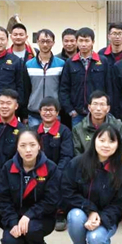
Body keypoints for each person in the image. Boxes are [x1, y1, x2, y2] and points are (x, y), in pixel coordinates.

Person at [61, 124, 122, 244]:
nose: (106, 145)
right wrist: (90, 210)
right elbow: (67, 191)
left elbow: (121, 203)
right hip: (82, 212)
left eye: (111, 141)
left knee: (96, 238)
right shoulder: (77, 163)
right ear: (94, 141)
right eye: (102, 140)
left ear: (118, 144)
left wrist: (101, 218)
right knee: (75, 216)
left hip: (107, 217)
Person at [0, 130, 60, 244]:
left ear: (39, 146)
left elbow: (51, 200)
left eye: (32, 145)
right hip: (16, 216)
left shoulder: (51, 168)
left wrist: (29, 215)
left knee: (32, 230)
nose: (28, 150)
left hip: (41, 217)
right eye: (23, 145)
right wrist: (13, 222)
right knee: (9, 241)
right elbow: (3, 199)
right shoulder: (8, 167)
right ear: (17, 147)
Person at [32, 96, 74, 231]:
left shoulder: (64, 131)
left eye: (51, 110)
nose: (48, 113)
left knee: (62, 180)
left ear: (57, 112)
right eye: (45, 110)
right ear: (39, 111)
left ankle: (60, 213)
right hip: (37, 170)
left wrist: (56, 172)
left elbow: (67, 155)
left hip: (58, 170)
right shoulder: (33, 131)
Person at [59, 27, 109, 127]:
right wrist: (70, 110)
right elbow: (64, 88)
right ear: (77, 42)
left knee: (100, 136)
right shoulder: (70, 63)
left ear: (93, 42)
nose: (83, 44)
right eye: (81, 41)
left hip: (99, 112)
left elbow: (109, 87)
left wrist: (106, 108)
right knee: (78, 137)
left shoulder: (103, 61)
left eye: (87, 41)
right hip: (77, 114)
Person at [23, 29, 65, 128]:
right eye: (42, 41)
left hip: (54, 113)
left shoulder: (61, 64)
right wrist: (24, 113)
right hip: (34, 113)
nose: (45, 44)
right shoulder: (29, 65)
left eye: (48, 41)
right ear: (37, 42)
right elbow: (25, 90)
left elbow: (63, 89)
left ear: (53, 43)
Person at [72, 91, 122, 155]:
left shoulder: (119, 127)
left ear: (108, 108)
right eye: (95, 104)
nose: (98, 109)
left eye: (102, 104)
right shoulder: (78, 129)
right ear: (89, 107)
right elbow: (77, 155)